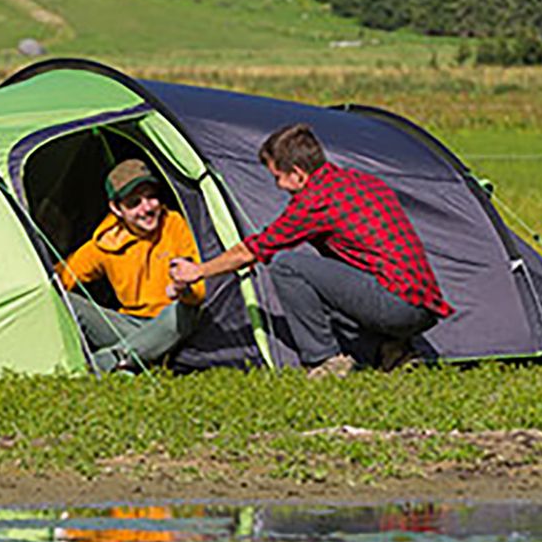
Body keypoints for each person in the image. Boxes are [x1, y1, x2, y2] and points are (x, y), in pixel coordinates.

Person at [170, 123, 454, 374]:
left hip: (394, 305)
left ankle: (325, 360)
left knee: (288, 266)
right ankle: (394, 351)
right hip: (423, 307)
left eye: (277, 177)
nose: (278, 186)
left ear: (298, 174)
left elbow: (252, 251)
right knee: (330, 278)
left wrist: (199, 271)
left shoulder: (315, 201)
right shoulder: (361, 181)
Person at [56, 158, 204, 372]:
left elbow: (198, 291)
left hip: (170, 324)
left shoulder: (174, 224)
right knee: (63, 301)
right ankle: (140, 355)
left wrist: (184, 289)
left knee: (184, 310)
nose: (147, 208)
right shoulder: (106, 242)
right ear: (116, 208)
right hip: (129, 326)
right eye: (134, 203)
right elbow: (61, 278)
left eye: (151, 197)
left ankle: (112, 359)